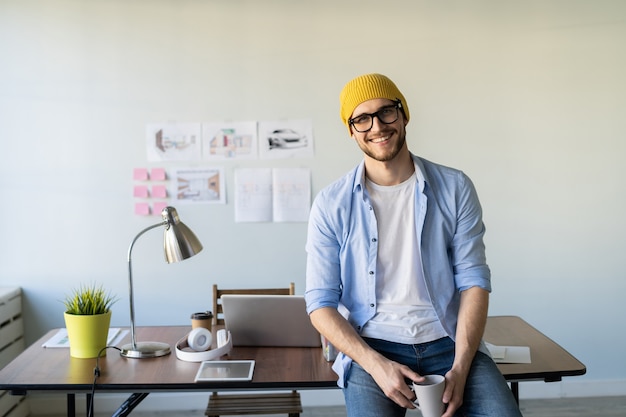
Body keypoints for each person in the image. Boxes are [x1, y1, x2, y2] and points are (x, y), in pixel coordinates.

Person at [304, 73, 522, 417]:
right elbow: (320, 303)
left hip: (448, 341)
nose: (377, 126)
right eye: (362, 118)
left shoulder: (455, 187)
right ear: (351, 130)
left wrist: (462, 366)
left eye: (386, 112)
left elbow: (474, 280)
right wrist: (375, 365)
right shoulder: (331, 204)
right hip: (372, 346)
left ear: (403, 114)